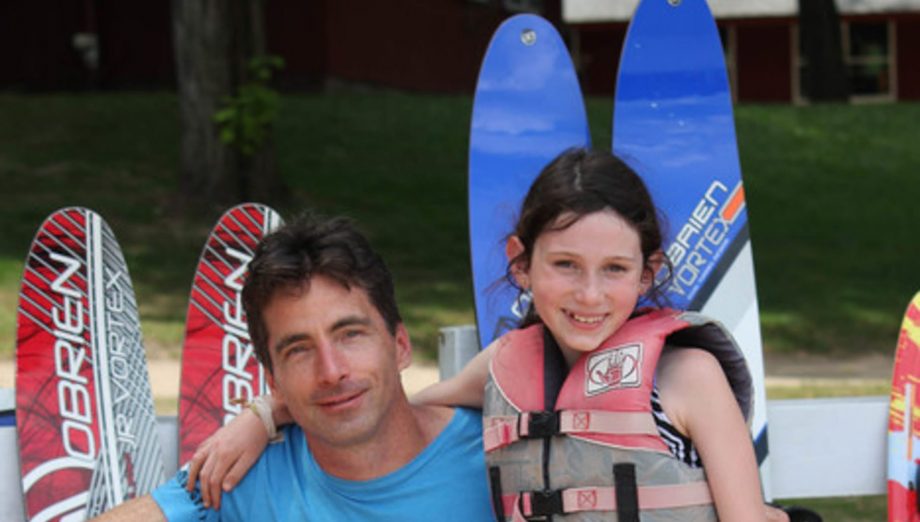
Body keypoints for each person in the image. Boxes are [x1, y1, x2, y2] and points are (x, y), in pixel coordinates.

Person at [188, 148, 805, 521]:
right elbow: (390, 402)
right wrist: (265, 416)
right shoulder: (509, 365)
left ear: (646, 273)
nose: (589, 295)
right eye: (565, 266)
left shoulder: (688, 376)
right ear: (520, 262)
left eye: (614, 270)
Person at [93, 215, 495, 521]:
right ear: (273, 381)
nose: (331, 370)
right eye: (299, 350)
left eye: (350, 334)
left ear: (400, 345)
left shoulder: (497, 453)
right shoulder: (241, 478)